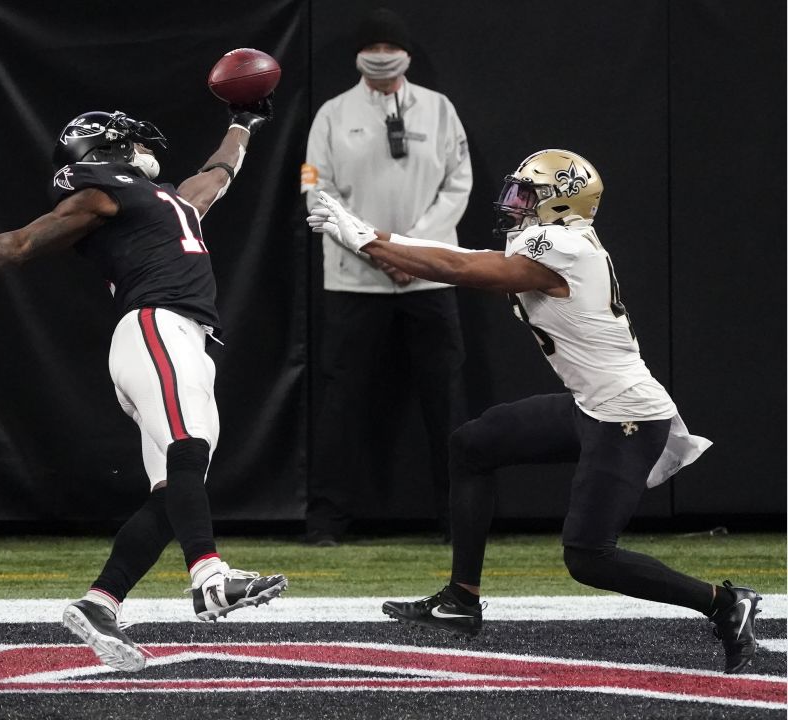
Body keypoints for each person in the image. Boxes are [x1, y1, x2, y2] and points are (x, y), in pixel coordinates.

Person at [307, 149, 761, 674]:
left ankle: (727, 604)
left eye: (530, 193)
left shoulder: (563, 245)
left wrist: (365, 239)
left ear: (562, 203)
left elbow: (460, 267)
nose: (515, 202)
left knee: (589, 558)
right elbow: (461, 255)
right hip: (591, 405)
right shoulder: (557, 240)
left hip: (625, 415)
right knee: (472, 446)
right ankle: (461, 600)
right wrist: (372, 235)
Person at [0, 103, 287, 672]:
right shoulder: (101, 190)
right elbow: (18, 245)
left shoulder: (169, 201)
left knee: (175, 492)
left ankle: (100, 601)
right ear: (107, 150)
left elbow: (217, 173)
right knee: (187, 452)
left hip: (185, 339)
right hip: (156, 326)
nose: (145, 147)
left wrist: (243, 123)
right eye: (132, 140)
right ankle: (209, 578)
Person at [301, 7, 472, 545]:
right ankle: (327, 520)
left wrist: (412, 251)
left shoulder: (440, 111)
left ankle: (457, 518)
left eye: (388, 47)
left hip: (430, 278)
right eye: (370, 47)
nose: (380, 56)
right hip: (355, 278)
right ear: (358, 55)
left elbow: (458, 184)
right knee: (341, 398)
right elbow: (314, 188)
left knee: (444, 396)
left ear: (407, 54)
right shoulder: (331, 114)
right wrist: (375, 249)